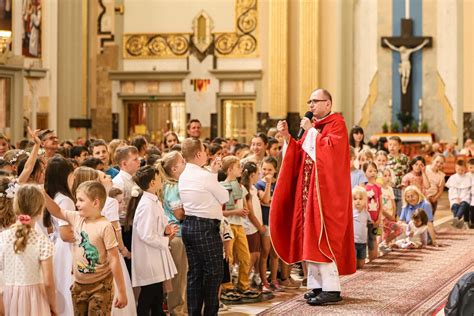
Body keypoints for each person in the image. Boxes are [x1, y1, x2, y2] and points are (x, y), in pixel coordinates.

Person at [273, 88, 355, 306]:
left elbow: (331, 153)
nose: (311, 106)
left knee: (322, 239)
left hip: (326, 195)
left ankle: (332, 289)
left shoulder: (336, 124)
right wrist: (287, 137)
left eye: (315, 101)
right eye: (309, 101)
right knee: (309, 238)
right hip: (309, 195)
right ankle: (317, 285)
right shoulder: (314, 128)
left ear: (328, 104)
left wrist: (310, 132)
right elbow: (300, 154)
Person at [43, 181, 128, 314]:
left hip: (101, 286)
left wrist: (122, 291)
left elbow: (114, 259)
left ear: (95, 203)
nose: (76, 204)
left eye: (81, 200)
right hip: (78, 285)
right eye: (77, 200)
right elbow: (57, 210)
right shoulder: (77, 218)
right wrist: (42, 193)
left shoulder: (105, 226)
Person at [178, 138, 229, 315]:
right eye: (205, 151)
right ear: (199, 154)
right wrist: (213, 175)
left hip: (189, 226)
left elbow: (210, 190)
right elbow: (224, 197)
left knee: (195, 274)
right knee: (214, 273)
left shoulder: (184, 174)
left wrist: (213, 174)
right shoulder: (203, 175)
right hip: (205, 228)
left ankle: (194, 313)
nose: (207, 155)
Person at [0, 185, 57, 315]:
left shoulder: (2, 239)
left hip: (8, 299)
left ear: (15, 208)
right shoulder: (42, 242)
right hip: (35, 300)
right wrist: (53, 306)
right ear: (40, 210)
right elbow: (48, 283)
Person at [131, 166, 178, 315]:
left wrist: (166, 229)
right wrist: (165, 239)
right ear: (152, 183)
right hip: (149, 258)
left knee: (157, 296)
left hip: (155, 257)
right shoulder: (146, 205)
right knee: (148, 296)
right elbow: (146, 234)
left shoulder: (154, 201)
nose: (161, 181)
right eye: (158, 178)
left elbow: (157, 225)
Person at [156, 151, 188, 315]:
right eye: (183, 162)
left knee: (179, 275)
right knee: (178, 277)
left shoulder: (168, 184)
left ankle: (179, 308)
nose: (185, 163)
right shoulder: (173, 186)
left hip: (174, 234)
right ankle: (177, 310)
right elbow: (179, 214)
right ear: (175, 168)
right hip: (177, 235)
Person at [219, 156, 256, 300]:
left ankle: (243, 284)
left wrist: (244, 211)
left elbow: (244, 207)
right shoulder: (221, 187)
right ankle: (227, 286)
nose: (241, 169)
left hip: (239, 226)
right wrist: (236, 212)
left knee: (244, 256)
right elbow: (220, 211)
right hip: (227, 225)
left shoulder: (241, 188)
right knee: (228, 257)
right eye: (238, 167)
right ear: (229, 170)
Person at [362, 162, 382, 261]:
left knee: (375, 237)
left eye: (374, 170)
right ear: (365, 173)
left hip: (377, 219)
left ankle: (374, 258)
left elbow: (380, 205)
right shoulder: (363, 188)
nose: (373, 173)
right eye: (370, 171)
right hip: (366, 219)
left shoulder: (378, 187)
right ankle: (366, 257)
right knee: (367, 238)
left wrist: (379, 218)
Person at [386, 136, 409, 216]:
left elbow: (408, 172)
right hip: (389, 189)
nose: (392, 147)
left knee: (401, 211)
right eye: (390, 144)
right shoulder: (385, 158)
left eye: (395, 145)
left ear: (399, 146)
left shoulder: (404, 158)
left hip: (401, 189)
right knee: (390, 210)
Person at [445, 160, 471, 229]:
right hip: (454, 197)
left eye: (462, 169)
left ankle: (456, 219)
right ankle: (457, 221)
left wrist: (461, 198)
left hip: (464, 197)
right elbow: (452, 190)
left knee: (464, 204)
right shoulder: (453, 178)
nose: (460, 171)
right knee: (455, 205)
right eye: (458, 169)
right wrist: (456, 197)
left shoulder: (467, 178)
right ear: (455, 168)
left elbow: (466, 190)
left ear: (465, 169)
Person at [352, 186, 371, 269]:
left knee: (361, 265)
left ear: (365, 201)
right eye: (355, 199)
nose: (358, 201)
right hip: (353, 242)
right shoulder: (351, 213)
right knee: (354, 265)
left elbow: (372, 224)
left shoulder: (366, 213)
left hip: (363, 242)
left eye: (360, 199)